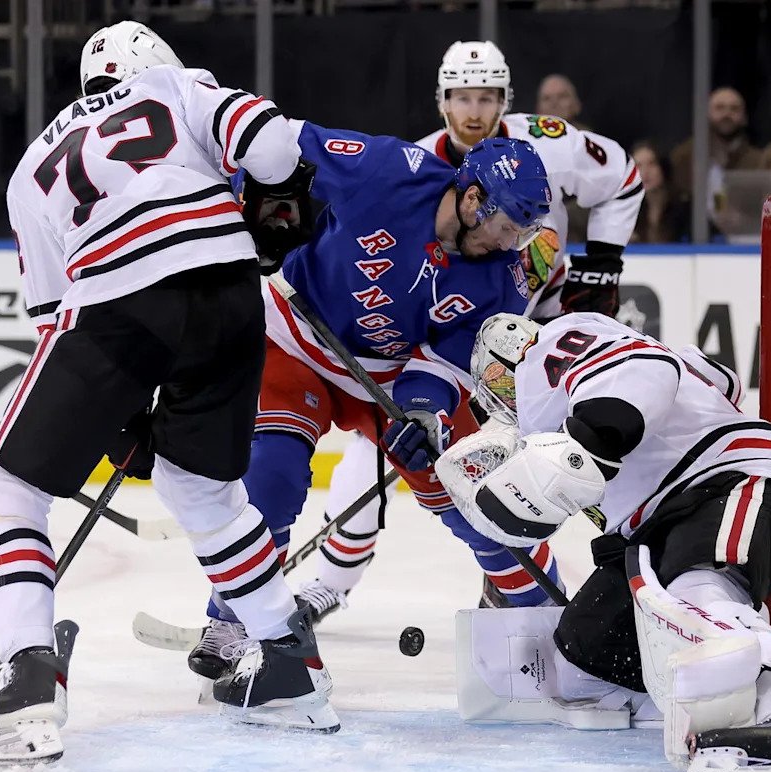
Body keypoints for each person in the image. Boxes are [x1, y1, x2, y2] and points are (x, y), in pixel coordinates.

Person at [0, 21, 338, 765]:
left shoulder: (31, 165)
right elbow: (275, 148)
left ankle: (25, 673)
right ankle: (286, 663)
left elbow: (54, 312)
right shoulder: (176, 85)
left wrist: (118, 419)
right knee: (203, 491)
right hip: (229, 290)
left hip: (117, 300)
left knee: (6, 491)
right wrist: (275, 203)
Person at [283, 40, 643, 623]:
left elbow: (624, 180)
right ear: (441, 101)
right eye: (460, 97)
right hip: (467, 335)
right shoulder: (422, 169)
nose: (474, 111)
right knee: (418, 445)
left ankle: (641, 565)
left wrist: (601, 267)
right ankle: (333, 579)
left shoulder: (550, 143)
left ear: (506, 100)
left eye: (487, 97)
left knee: (589, 440)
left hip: (546, 323)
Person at [184, 124, 557, 681]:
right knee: (275, 474)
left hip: (386, 379)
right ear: (474, 198)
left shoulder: (501, 280)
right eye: (507, 228)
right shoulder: (387, 170)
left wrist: (425, 414)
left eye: (522, 236)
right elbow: (277, 141)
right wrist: (252, 201)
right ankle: (236, 618)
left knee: (476, 492)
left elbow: (441, 365)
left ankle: (550, 622)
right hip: (292, 339)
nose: (510, 245)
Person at [439, 311, 771, 772]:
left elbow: (644, 367)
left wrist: (595, 437)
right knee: (585, 652)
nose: (505, 396)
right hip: (667, 517)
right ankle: (720, 680)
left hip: (732, 483)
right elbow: (717, 380)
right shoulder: (556, 418)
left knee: (698, 587)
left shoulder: (548, 350)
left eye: (499, 381)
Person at [669, 87, 763, 234]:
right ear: (706, 114)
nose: (727, 114)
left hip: (744, 241)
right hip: (692, 239)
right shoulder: (683, 157)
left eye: (734, 109)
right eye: (720, 108)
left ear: (745, 117)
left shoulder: (759, 161)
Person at [630, 140, 683, 243]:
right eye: (638, 166)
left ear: (663, 167)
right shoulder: (629, 212)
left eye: (651, 164)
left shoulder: (684, 209)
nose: (645, 172)